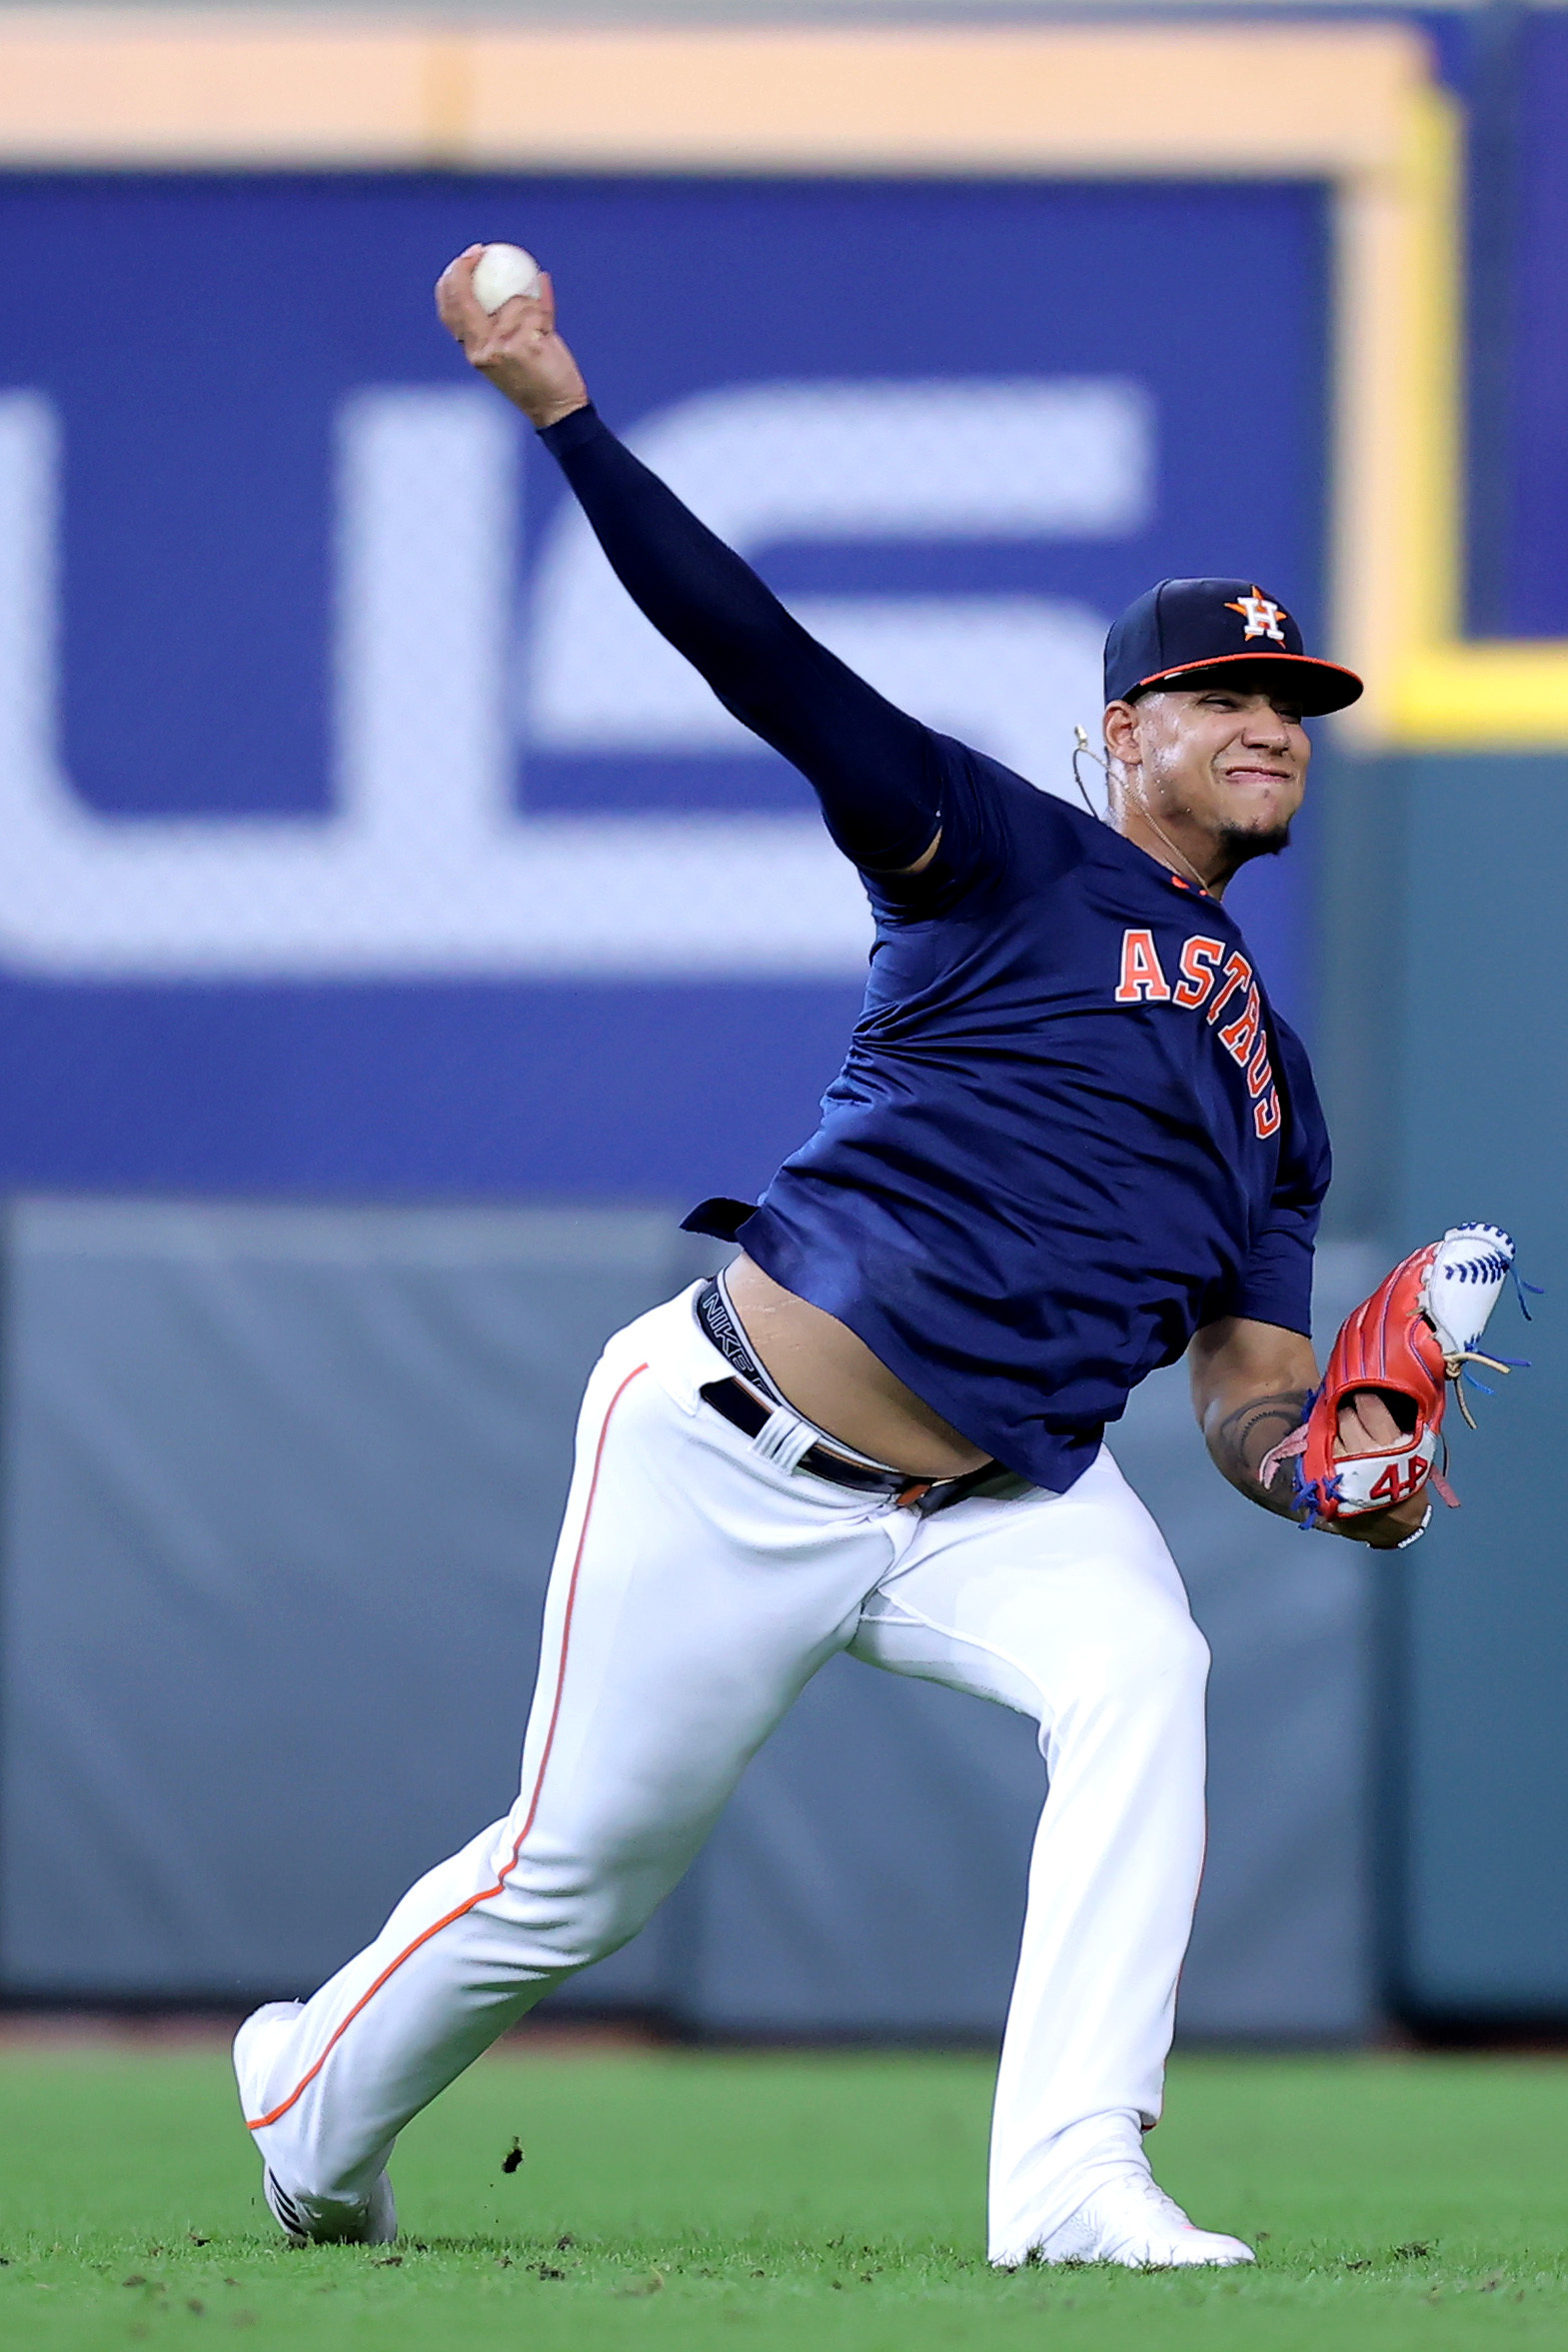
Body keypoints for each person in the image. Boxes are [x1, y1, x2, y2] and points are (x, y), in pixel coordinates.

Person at [233, 249, 1426, 2270]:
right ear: (1115, 731)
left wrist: (1330, 1462)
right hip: (733, 1441)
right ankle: (308, 2098)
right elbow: (756, 655)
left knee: (1144, 1671)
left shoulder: (1274, 1093)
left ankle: (1068, 2176)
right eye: (1218, 694)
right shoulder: (990, 856)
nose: (1263, 722)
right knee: (574, 1877)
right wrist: (556, 410)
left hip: (1005, 1496)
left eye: (1288, 701)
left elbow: (1240, 1381)